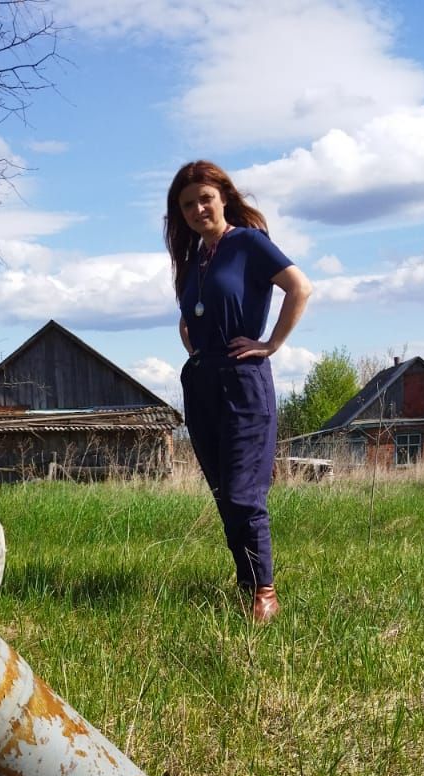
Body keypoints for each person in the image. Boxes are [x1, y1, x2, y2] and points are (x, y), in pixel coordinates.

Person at [165, 161, 312, 624]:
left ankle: (265, 590)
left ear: (223, 197)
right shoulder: (192, 262)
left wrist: (270, 343)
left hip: (244, 381)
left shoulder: (248, 244)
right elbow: (190, 315)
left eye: (205, 199)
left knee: (244, 491)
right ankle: (246, 580)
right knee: (222, 492)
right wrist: (192, 342)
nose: (197, 209)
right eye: (187, 204)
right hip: (202, 382)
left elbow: (299, 288)